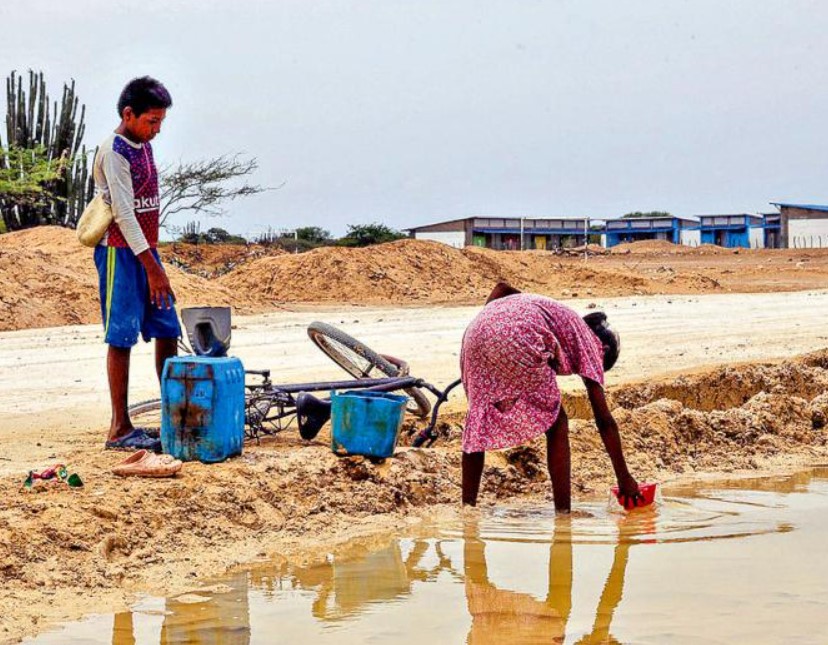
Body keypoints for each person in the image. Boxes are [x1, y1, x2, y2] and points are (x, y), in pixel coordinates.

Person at [459, 282, 642, 511]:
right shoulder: (591, 343)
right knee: (557, 423)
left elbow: (500, 288)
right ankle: (563, 514)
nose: (587, 375)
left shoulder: (564, 319)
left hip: (476, 332)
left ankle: (467, 508)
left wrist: (493, 331)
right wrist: (624, 477)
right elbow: (603, 420)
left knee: (479, 416)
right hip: (517, 335)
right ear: (603, 350)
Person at [92, 76, 179, 450]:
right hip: (119, 252)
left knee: (167, 329)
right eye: (151, 121)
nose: (156, 130)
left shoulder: (143, 144)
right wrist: (153, 268)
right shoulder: (114, 151)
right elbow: (124, 215)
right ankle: (119, 427)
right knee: (122, 335)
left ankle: (174, 415)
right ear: (129, 114)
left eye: (160, 122)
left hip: (146, 250)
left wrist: (153, 259)